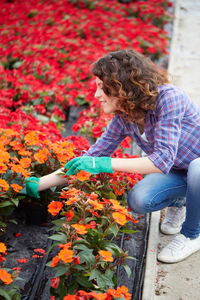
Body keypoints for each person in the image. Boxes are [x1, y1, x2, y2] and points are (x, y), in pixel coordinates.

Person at [26, 49, 200, 264]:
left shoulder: (169, 98)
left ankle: (193, 234)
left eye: (102, 87)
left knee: (198, 168)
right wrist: (34, 185)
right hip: (179, 171)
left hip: (195, 169)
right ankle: (182, 202)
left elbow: (162, 159)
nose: (96, 95)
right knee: (139, 200)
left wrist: (103, 164)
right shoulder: (124, 117)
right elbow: (90, 157)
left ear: (123, 86)